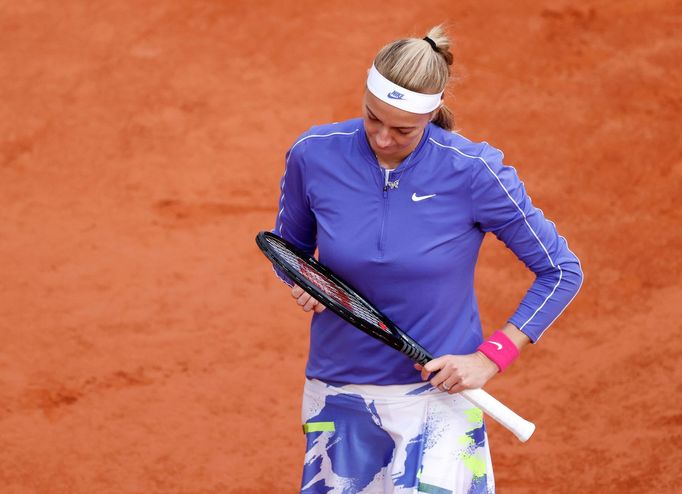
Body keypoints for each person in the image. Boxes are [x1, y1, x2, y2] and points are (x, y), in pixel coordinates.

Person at [271, 24, 583, 494]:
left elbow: (561, 270)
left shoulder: (473, 171)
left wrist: (490, 358)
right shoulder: (314, 155)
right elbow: (287, 250)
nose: (381, 137)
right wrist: (300, 281)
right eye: (372, 118)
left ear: (434, 113)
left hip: (440, 402)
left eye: (403, 129)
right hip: (338, 394)